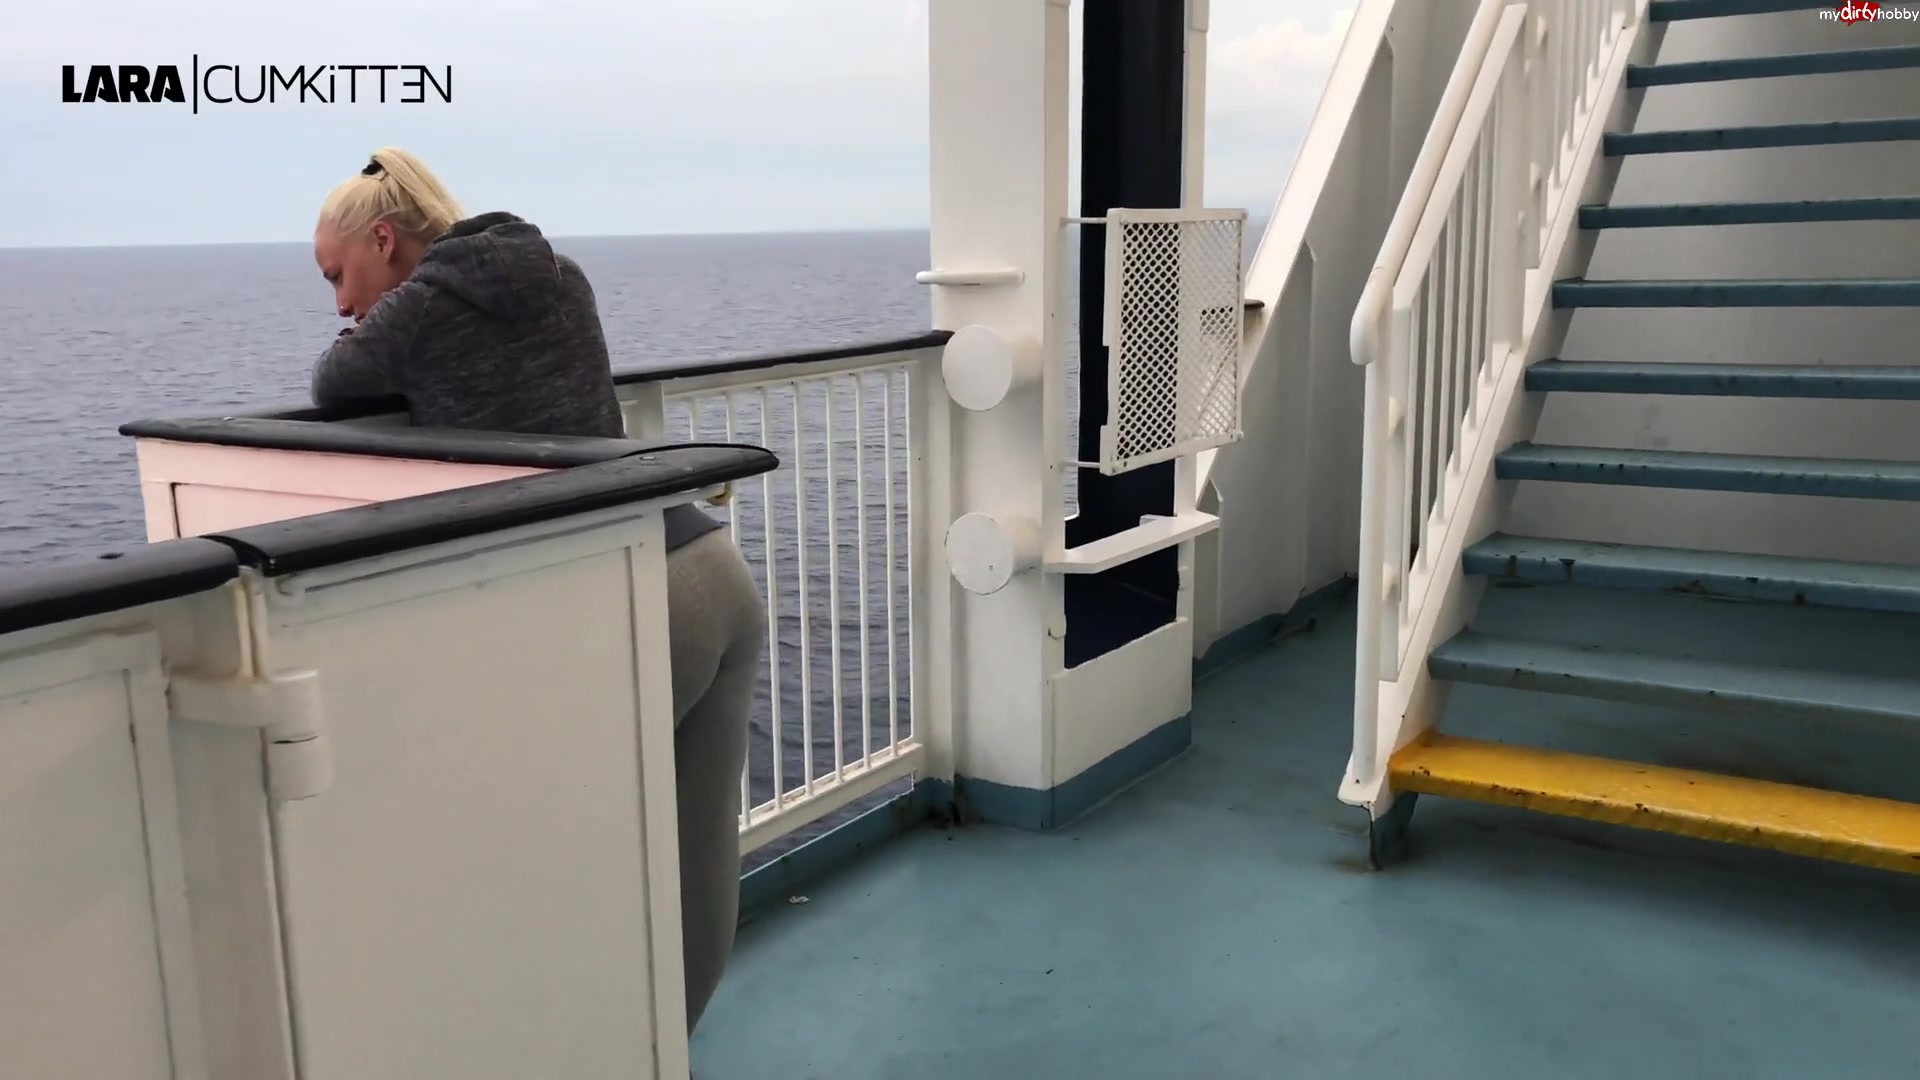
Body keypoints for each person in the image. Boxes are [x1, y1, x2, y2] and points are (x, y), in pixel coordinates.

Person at [309, 146, 762, 1033]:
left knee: (551, 849)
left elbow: (331, 384)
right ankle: (671, 1046)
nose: (340, 302)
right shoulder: (562, 274)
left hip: (626, 599)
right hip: (705, 563)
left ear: (385, 241)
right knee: (698, 849)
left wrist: (376, 328)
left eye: (338, 274)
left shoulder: (413, 314)